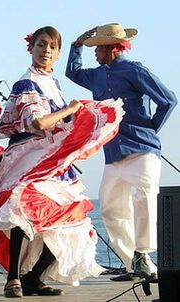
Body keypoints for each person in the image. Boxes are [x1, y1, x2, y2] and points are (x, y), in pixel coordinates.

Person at [0, 26, 121, 298]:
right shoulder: (26, 82)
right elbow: (37, 122)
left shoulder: (52, 83)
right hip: (27, 156)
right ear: (31, 48)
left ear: (57, 54)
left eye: (52, 47)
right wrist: (72, 110)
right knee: (22, 208)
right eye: (41, 45)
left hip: (51, 160)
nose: (46, 51)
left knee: (68, 222)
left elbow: (60, 122)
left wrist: (81, 117)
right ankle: (13, 279)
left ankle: (31, 277)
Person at [66, 23, 178, 281]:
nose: (95, 53)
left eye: (97, 48)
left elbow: (168, 99)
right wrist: (77, 46)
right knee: (109, 208)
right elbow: (73, 72)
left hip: (142, 150)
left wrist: (150, 128)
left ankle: (143, 251)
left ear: (110, 47)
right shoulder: (96, 74)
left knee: (145, 196)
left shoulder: (134, 70)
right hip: (114, 154)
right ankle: (136, 264)